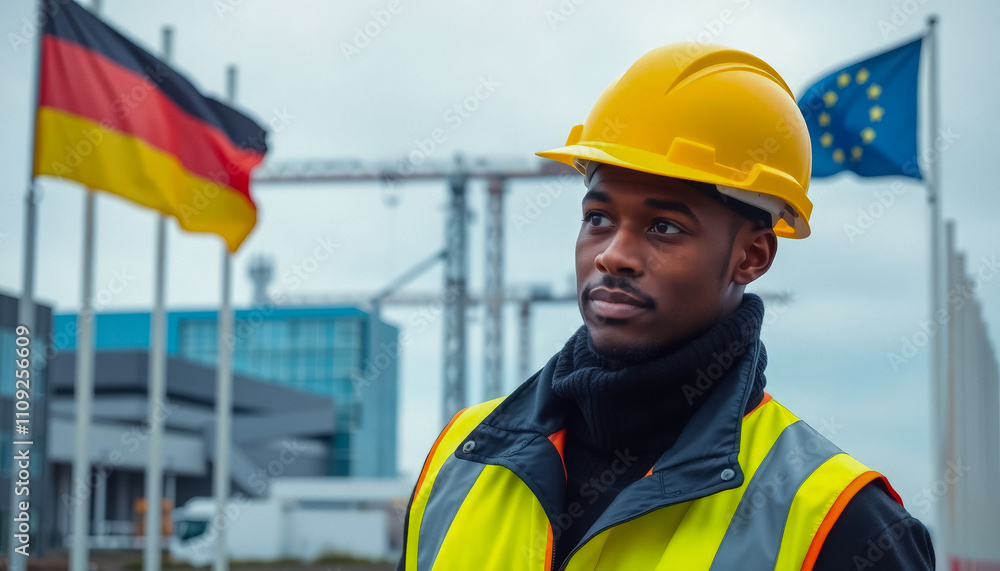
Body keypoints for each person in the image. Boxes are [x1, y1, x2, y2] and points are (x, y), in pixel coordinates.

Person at [396, 42, 935, 570]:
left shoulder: (842, 524)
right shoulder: (457, 462)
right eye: (598, 218)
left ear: (751, 256)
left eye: (664, 227)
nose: (613, 255)